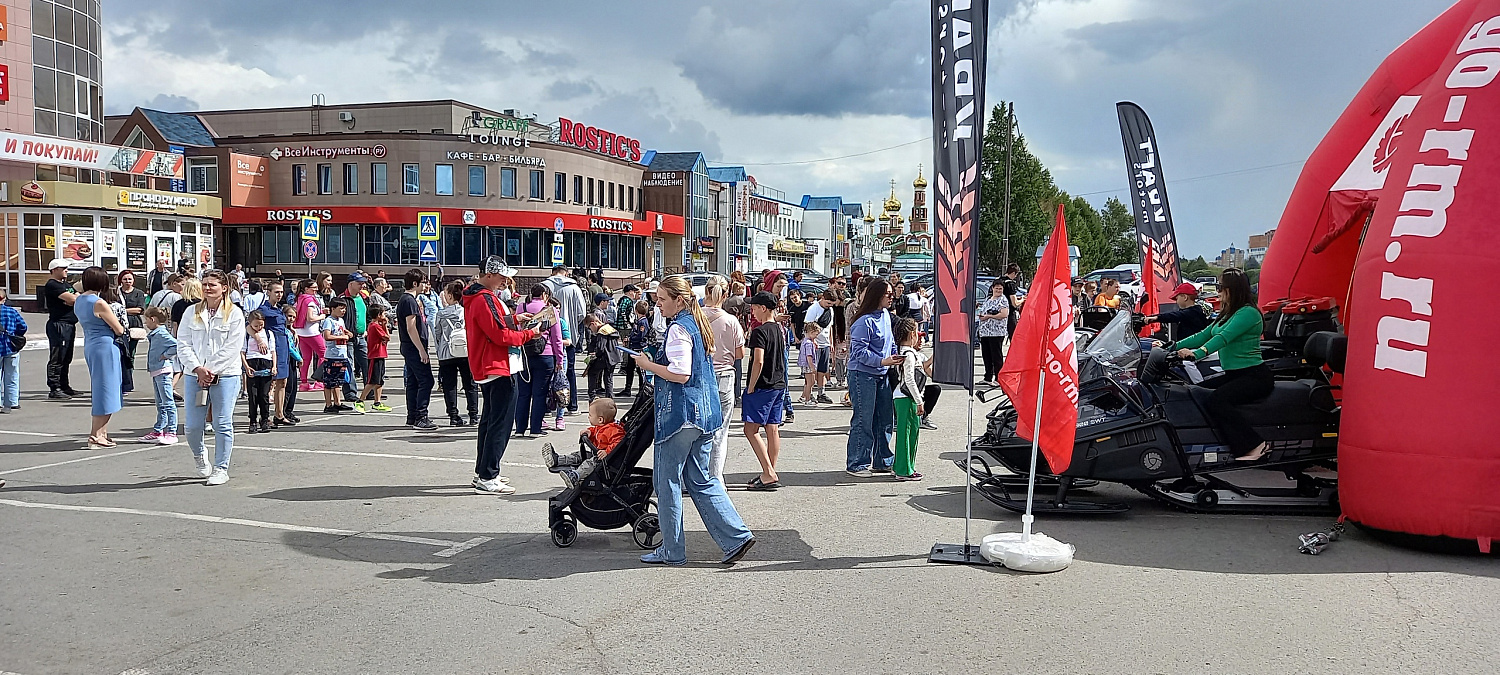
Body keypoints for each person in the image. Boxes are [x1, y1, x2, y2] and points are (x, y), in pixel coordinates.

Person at [629, 276, 756, 566]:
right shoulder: (696, 324)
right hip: (705, 414)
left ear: (680, 300)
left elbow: (681, 373)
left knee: (667, 483)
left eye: (662, 299)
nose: (657, 304)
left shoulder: (678, 328)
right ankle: (736, 536)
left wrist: (648, 365)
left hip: (680, 415)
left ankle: (672, 551)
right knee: (702, 479)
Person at [1175, 268, 1273, 462]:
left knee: (1216, 401)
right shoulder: (1228, 313)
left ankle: (1256, 445)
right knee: (1195, 392)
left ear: (1232, 290)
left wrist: (1197, 354)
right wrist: (1170, 346)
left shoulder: (1248, 314)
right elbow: (1203, 335)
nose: (1217, 291)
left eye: (1220, 287)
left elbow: (1223, 338)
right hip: (1235, 374)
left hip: (1254, 376)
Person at [462, 257, 537, 495]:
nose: (507, 280)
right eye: (503, 276)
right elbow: (499, 335)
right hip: (498, 365)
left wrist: (515, 320)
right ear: (490, 275)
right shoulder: (485, 298)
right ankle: (488, 475)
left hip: (491, 365)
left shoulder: (477, 296)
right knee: (500, 424)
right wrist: (528, 334)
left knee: (490, 422)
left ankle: (484, 471)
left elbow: (493, 325)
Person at [177, 270, 246, 484]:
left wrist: (211, 369)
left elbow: (232, 347)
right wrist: (198, 368)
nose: (207, 288)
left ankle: (221, 468)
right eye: (205, 284)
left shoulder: (234, 314)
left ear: (224, 288)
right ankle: (200, 456)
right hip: (195, 375)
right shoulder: (191, 312)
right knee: (193, 425)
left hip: (225, 375)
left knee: (222, 423)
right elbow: (183, 342)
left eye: (212, 285)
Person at [846, 278, 903, 477]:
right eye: (888, 293)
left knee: (885, 418)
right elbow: (859, 352)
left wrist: (895, 357)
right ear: (876, 295)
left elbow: (890, 341)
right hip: (862, 375)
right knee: (864, 419)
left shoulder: (886, 315)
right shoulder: (863, 321)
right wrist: (883, 361)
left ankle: (883, 460)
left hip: (882, 374)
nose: (891, 296)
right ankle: (857, 463)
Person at [75, 267, 125, 448]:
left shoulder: (79, 300)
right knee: (106, 389)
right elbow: (118, 328)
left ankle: (102, 432)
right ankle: (96, 434)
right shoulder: (99, 303)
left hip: (91, 344)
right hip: (105, 346)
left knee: (103, 387)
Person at [742, 292, 787, 490]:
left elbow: (758, 360)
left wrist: (751, 385)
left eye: (754, 306)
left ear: (763, 308)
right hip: (778, 384)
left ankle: (768, 472)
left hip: (763, 385)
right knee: (772, 428)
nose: (752, 310)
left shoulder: (759, 332)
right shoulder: (778, 329)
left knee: (750, 430)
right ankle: (769, 470)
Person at [701, 276, 744, 480]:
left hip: (701, 375)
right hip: (725, 375)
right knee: (720, 432)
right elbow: (739, 354)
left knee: (697, 430)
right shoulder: (731, 320)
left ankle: (693, 478)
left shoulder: (695, 317)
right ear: (725, 295)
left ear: (706, 292)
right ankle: (716, 478)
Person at [542, 397, 626, 491]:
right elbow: (595, 431)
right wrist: (589, 432)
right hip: (596, 454)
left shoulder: (614, 430)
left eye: (590, 415)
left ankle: (575, 476)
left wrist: (607, 451)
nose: (588, 417)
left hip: (605, 460)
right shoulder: (602, 426)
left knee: (589, 463)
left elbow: (619, 442)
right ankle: (558, 460)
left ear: (600, 420)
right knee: (579, 455)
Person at [515, 284, 564, 438]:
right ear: (544, 295)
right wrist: (560, 360)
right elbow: (557, 338)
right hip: (546, 355)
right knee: (540, 393)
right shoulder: (551, 311)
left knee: (523, 394)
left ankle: (519, 429)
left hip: (524, 354)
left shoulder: (521, 307)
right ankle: (535, 428)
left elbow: (516, 331)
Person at [394, 269, 438, 430]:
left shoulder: (408, 300)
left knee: (413, 381)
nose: (425, 285)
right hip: (413, 347)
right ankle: (421, 416)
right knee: (427, 380)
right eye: (423, 282)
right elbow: (411, 327)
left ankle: (412, 416)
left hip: (410, 346)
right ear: (415, 283)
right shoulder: (409, 300)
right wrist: (421, 349)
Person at [542, 265, 587, 416]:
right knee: (569, 372)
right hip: (569, 337)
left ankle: (548, 407)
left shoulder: (545, 285)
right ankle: (572, 405)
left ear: (552, 272)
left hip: (547, 337)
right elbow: (582, 313)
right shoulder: (575, 288)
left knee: (548, 372)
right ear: (566, 273)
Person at [891, 318, 931, 480]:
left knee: (908, 432)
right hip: (907, 397)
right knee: (908, 434)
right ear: (912, 334)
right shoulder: (909, 354)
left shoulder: (906, 352)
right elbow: (909, 379)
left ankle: (902, 466)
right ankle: (904, 469)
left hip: (903, 397)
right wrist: (919, 400)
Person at [435, 281, 478, 427]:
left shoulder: (441, 313)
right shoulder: (466, 311)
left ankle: (453, 416)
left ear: (449, 295)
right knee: (470, 384)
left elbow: (437, 334)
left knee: (449, 385)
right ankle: (473, 415)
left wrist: (439, 350)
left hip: (446, 353)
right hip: (465, 352)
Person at [138, 307, 178, 443]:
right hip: (157, 371)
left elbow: (177, 345)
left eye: (146, 320)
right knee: (160, 403)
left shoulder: (161, 333)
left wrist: (165, 355)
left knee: (167, 402)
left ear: (153, 319)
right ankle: (159, 429)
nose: (146, 323)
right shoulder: (156, 333)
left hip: (163, 371)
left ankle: (172, 431)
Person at [43, 259, 79, 400]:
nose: (66, 270)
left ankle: (64, 385)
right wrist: (73, 298)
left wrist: (73, 298)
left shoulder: (66, 284)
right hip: (59, 324)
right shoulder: (52, 285)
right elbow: (73, 299)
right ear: (54, 270)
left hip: (70, 324)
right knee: (57, 356)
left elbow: (76, 297)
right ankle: (54, 387)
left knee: (67, 357)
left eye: (67, 268)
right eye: (63, 268)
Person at [241, 310, 277, 434]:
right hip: (252, 363)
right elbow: (242, 352)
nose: (258, 328)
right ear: (250, 323)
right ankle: (252, 421)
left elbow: (273, 351)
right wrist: (246, 367)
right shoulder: (247, 334)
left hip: (266, 363)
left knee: (264, 395)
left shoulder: (268, 334)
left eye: (261, 325)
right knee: (253, 396)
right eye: (255, 326)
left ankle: (265, 419)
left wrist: (274, 366)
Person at [319, 299, 356, 414]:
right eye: (340, 308)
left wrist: (348, 333)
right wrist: (341, 338)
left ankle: (337, 402)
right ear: (333, 309)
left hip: (342, 354)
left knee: (338, 381)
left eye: (344, 308)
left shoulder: (340, 321)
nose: (343, 310)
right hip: (332, 355)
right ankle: (328, 404)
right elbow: (327, 336)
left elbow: (342, 331)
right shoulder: (328, 321)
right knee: (329, 381)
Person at [357, 303, 393, 414]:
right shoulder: (374, 326)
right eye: (382, 313)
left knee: (379, 381)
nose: (384, 315)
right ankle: (360, 400)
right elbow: (387, 337)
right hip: (375, 356)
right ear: (378, 315)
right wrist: (385, 326)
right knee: (372, 381)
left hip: (381, 354)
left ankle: (377, 402)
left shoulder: (376, 325)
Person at [1145, 283, 1212, 342]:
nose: (1176, 302)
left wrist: (1156, 318)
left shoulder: (1193, 312)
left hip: (1193, 349)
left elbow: (1174, 316)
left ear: (1185, 297)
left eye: (1177, 298)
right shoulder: (1195, 311)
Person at [339, 273, 369, 404]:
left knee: (368, 362)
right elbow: (336, 318)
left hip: (362, 336)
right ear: (351, 284)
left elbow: (368, 314)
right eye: (360, 283)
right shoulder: (342, 298)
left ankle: (370, 391)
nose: (362, 285)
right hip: (348, 337)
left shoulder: (364, 297)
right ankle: (350, 393)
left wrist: (367, 328)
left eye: (363, 283)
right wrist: (344, 332)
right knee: (349, 365)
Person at [292, 279, 327, 390]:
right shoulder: (310, 301)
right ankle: (319, 380)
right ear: (306, 289)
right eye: (314, 288)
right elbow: (310, 318)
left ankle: (304, 382)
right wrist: (322, 316)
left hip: (301, 331)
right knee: (323, 354)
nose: (316, 290)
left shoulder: (299, 299)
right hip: (312, 332)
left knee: (306, 358)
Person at [802, 291, 836, 404]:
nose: (829, 306)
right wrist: (812, 341)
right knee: (812, 371)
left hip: (825, 343)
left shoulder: (830, 310)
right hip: (815, 344)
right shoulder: (813, 309)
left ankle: (821, 393)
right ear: (823, 299)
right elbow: (807, 326)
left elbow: (830, 327)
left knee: (822, 370)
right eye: (828, 303)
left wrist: (831, 343)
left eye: (831, 304)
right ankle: (808, 394)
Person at [118, 270, 147, 395]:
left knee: (130, 354)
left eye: (130, 279)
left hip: (134, 326)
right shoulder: (116, 293)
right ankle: (123, 381)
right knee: (121, 354)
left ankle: (128, 381)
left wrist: (122, 310)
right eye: (125, 279)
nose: (127, 282)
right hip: (120, 325)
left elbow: (140, 309)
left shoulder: (138, 293)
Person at [977, 282, 1010, 386]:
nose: (998, 291)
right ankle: (988, 376)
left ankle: (998, 378)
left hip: (996, 332)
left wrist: (990, 316)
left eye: (1000, 289)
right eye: (997, 289)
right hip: (985, 331)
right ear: (992, 288)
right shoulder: (988, 299)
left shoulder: (1003, 300)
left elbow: (1004, 314)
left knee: (996, 356)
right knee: (986, 355)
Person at [0, 289, 27, 412]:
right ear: (4, 299)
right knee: (12, 375)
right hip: (11, 347)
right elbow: (23, 326)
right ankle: (12, 401)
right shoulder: (12, 312)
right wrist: (14, 334)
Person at [796, 323, 822, 406]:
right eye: (816, 334)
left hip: (806, 365)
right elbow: (809, 356)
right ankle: (807, 399)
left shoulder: (806, 341)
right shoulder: (808, 344)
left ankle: (803, 396)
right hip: (808, 365)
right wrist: (812, 367)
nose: (816, 336)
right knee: (810, 383)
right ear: (811, 332)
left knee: (809, 382)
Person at [1001, 263, 1024, 343]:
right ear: (1014, 273)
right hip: (1009, 313)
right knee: (1013, 336)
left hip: (999, 313)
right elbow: (1014, 303)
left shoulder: (999, 280)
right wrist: (1023, 299)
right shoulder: (1010, 284)